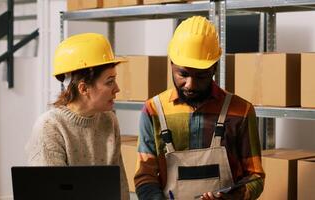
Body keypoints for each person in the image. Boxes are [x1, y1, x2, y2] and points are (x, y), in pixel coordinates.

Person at [134, 16, 265, 200]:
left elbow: (255, 177)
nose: (190, 85)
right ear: (171, 63)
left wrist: (230, 198)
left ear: (214, 68)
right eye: (183, 74)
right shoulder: (153, 110)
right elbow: (144, 177)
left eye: (201, 76)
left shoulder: (241, 111)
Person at [25, 33, 129, 200]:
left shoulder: (109, 120)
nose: (117, 89)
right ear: (83, 89)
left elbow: (120, 188)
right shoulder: (50, 127)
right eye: (109, 81)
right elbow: (52, 194)